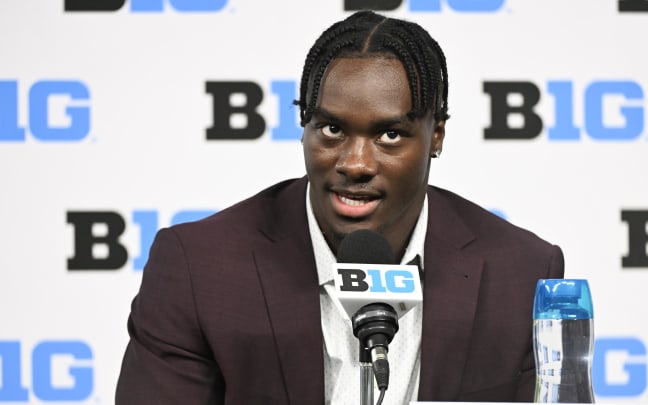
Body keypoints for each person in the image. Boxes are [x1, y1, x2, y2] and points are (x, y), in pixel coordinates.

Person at [115, 10, 564, 404]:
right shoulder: (200, 269)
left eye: (390, 135)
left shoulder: (521, 273)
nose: (355, 163)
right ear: (303, 125)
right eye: (331, 129)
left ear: (437, 136)